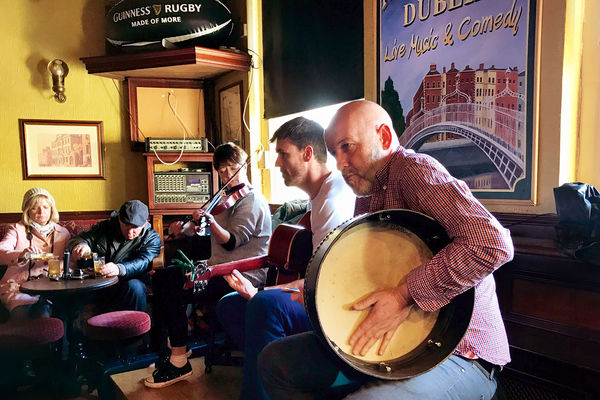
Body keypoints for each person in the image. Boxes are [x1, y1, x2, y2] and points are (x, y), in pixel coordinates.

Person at [258, 100, 514, 400]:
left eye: (348, 146)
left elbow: (492, 243)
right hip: (392, 352)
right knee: (276, 361)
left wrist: (403, 295)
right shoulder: (367, 194)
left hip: (460, 355)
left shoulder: (414, 171)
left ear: (384, 137)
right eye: (334, 151)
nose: (340, 163)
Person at [215, 117, 356, 400]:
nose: (277, 163)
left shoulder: (333, 198)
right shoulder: (316, 199)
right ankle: (286, 377)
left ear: (307, 154)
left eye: (283, 154)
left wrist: (260, 292)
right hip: (317, 291)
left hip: (337, 303)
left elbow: (326, 280)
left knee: (265, 305)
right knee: (229, 305)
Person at [145, 142, 272, 388]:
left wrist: (211, 222)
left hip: (240, 276)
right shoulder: (225, 198)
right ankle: (175, 348)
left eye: (231, 168)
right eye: (222, 170)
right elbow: (199, 229)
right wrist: (182, 230)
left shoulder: (252, 200)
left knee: (171, 283)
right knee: (163, 276)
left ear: (243, 166)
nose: (226, 175)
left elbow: (231, 241)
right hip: (218, 270)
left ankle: (179, 360)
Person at [67, 199, 161, 312]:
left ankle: (137, 329)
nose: (130, 232)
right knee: (69, 295)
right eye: (126, 225)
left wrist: (119, 268)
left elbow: (143, 262)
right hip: (99, 282)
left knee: (135, 287)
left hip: (129, 282)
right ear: (119, 219)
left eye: (135, 227)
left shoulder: (151, 237)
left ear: (146, 222)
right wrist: (81, 244)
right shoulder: (106, 227)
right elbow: (79, 238)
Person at [0, 188, 70, 319]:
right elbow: (1, 251)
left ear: (51, 210)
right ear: (27, 211)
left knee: (44, 315)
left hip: (52, 287)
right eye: (34, 208)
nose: (41, 212)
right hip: (18, 286)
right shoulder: (16, 229)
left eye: (45, 207)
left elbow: (70, 263)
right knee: (21, 313)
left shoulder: (63, 233)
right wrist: (21, 255)